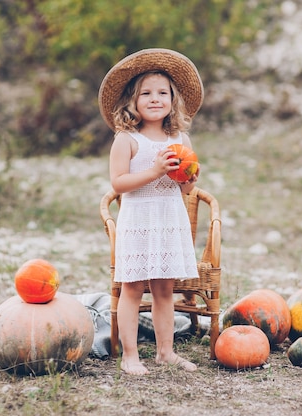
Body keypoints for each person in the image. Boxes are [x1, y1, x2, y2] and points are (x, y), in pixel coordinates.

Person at [98, 48, 204, 375]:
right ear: (133, 101)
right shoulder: (127, 140)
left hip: (169, 220)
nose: (155, 99)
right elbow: (119, 182)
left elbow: (184, 189)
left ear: (173, 100)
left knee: (164, 290)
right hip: (139, 221)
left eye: (163, 93)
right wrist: (156, 170)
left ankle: (165, 352)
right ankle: (130, 355)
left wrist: (190, 179)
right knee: (132, 288)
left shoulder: (179, 138)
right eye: (146, 93)